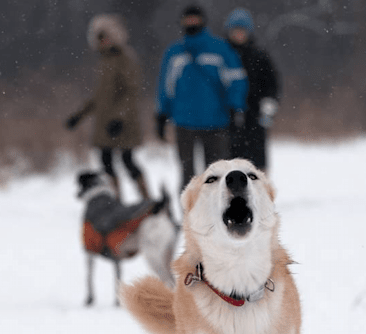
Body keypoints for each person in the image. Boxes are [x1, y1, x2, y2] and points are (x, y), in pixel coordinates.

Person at [156, 5, 248, 193]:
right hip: (184, 122)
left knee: (217, 175)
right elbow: (166, 86)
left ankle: (217, 217)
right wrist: (161, 113)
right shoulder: (174, 52)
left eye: (195, 19)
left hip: (216, 121)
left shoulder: (220, 49)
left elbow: (237, 79)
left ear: (203, 21)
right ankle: (188, 218)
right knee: (188, 177)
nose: (191, 23)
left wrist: (235, 107)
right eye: (187, 19)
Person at [65, 14, 150, 201]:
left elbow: (131, 92)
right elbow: (99, 97)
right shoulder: (103, 61)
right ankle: (115, 201)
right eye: (99, 38)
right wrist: (78, 116)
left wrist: (120, 118)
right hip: (104, 122)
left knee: (128, 161)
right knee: (106, 163)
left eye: (106, 37)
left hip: (123, 122)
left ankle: (147, 201)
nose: (103, 41)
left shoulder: (126, 59)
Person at [224, 8, 280, 172]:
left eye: (242, 30)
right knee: (229, 162)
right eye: (235, 30)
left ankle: (260, 193)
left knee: (257, 165)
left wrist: (269, 103)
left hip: (254, 116)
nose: (239, 34)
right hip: (227, 117)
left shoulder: (260, 56)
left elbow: (272, 83)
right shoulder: (222, 54)